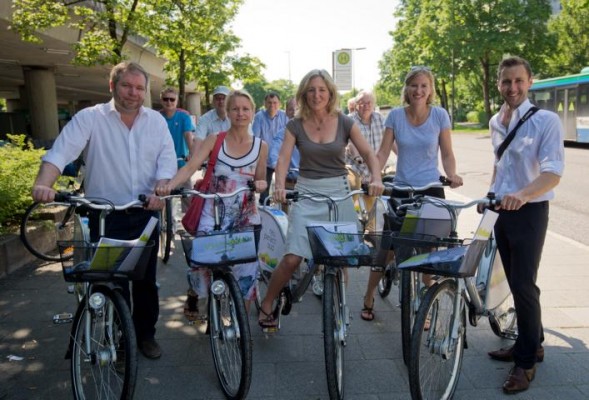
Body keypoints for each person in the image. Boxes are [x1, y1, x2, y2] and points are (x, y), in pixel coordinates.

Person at [31, 61, 177, 359]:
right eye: (127, 86)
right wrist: (43, 184)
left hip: (144, 212)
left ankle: (145, 335)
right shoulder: (90, 118)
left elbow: (166, 160)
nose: (133, 93)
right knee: (113, 280)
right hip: (104, 216)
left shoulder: (156, 122)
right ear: (113, 86)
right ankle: (119, 338)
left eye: (139, 88)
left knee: (145, 280)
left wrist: (162, 188)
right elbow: (61, 151)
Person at [257, 69, 384, 329]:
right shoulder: (295, 124)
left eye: (322, 90)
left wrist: (376, 177)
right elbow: (282, 159)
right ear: (305, 94)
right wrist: (279, 186)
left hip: (339, 191)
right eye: (312, 90)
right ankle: (268, 301)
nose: (317, 95)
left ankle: (340, 305)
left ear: (330, 93)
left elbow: (369, 153)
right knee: (293, 257)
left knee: (342, 257)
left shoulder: (345, 122)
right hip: (307, 192)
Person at [485, 56, 564, 394]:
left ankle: (526, 363)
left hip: (530, 211)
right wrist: (490, 195)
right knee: (520, 283)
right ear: (499, 84)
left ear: (530, 81)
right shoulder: (494, 121)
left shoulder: (546, 120)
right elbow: (499, 166)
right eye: (506, 82)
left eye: (518, 81)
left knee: (523, 284)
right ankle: (533, 343)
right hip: (502, 210)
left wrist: (521, 195)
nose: (512, 88)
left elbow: (552, 173)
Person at [157, 89, 268, 317]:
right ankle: (195, 293)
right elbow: (190, 167)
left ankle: (241, 326)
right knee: (202, 260)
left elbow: (260, 178)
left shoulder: (261, 147)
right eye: (235, 108)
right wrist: (169, 185)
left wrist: (261, 184)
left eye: (245, 109)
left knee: (247, 268)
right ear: (227, 112)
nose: (240, 113)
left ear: (252, 113)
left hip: (245, 214)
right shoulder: (214, 140)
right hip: (213, 211)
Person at [368, 66, 463, 322]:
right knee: (388, 247)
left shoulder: (440, 115)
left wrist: (452, 174)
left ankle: (426, 300)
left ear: (430, 89)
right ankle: (368, 297)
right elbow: (383, 152)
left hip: (430, 187)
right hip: (402, 188)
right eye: (414, 86)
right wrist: (375, 176)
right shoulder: (396, 117)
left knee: (430, 247)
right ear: (406, 90)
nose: (418, 90)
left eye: (423, 86)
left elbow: (447, 153)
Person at [159, 87, 196, 217]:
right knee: (161, 196)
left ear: (176, 101)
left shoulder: (184, 117)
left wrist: (192, 154)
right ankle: (163, 225)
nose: (169, 102)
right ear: (161, 100)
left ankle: (189, 225)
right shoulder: (157, 117)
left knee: (187, 195)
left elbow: (188, 135)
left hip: (181, 161)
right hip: (163, 164)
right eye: (166, 99)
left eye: (172, 99)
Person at [253, 92, 288, 205]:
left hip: (281, 159)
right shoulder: (259, 117)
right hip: (265, 159)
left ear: (279, 104)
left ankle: (283, 211)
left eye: (275, 102)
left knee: (283, 188)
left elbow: (288, 137)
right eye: (269, 102)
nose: (272, 105)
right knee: (264, 189)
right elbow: (256, 138)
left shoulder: (284, 116)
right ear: (265, 103)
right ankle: (265, 212)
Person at [193, 85, 231, 152]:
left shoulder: (236, 117)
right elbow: (198, 139)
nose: (221, 101)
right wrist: (194, 156)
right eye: (218, 98)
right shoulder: (205, 119)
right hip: (212, 158)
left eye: (224, 98)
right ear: (213, 101)